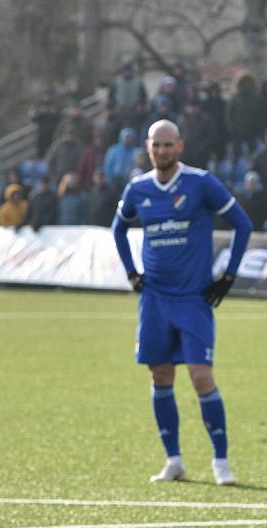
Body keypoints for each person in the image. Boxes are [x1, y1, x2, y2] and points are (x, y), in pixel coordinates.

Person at [112, 120, 252, 485]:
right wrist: (132, 272)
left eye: (167, 145)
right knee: (160, 375)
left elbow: (243, 225)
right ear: (147, 147)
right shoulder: (138, 188)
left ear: (180, 146)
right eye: (155, 145)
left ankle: (221, 461)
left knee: (200, 375)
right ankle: (173, 460)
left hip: (193, 299)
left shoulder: (201, 182)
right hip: (155, 299)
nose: (161, 151)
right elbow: (118, 228)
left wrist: (229, 276)